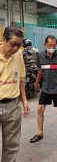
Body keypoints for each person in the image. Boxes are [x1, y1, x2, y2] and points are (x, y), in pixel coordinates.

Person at [30, 35, 57, 143]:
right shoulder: (40, 55)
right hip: (46, 88)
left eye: (54, 45)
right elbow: (40, 70)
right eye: (50, 45)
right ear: (45, 45)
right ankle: (40, 132)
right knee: (40, 109)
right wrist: (36, 82)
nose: (52, 47)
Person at [0, 26, 30, 162]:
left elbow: (21, 78)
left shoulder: (18, 54)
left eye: (19, 45)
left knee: (12, 146)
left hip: (12, 106)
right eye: (13, 44)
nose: (16, 48)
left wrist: (24, 100)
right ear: (3, 40)